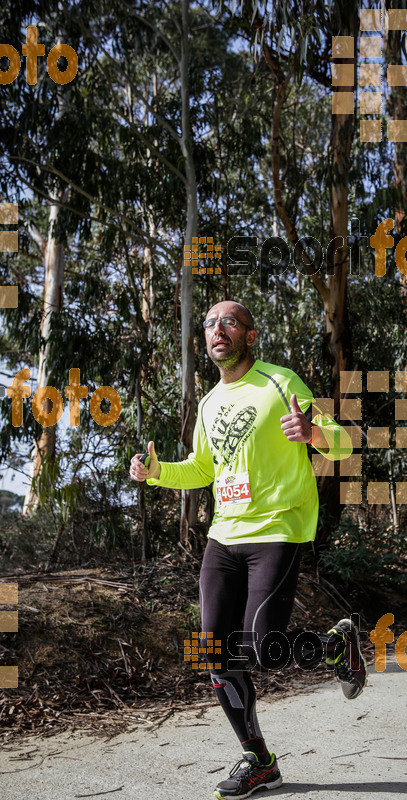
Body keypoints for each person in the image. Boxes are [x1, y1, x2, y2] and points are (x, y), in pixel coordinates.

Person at [129, 300, 367, 800]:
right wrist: (155, 474)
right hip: (224, 536)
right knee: (215, 652)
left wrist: (313, 433)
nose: (217, 329)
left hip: (278, 529)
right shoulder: (210, 404)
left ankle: (334, 648)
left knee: (263, 648)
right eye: (211, 323)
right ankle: (259, 761)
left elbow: (346, 442)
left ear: (250, 336)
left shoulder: (282, 383)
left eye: (229, 321)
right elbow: (200, 471)